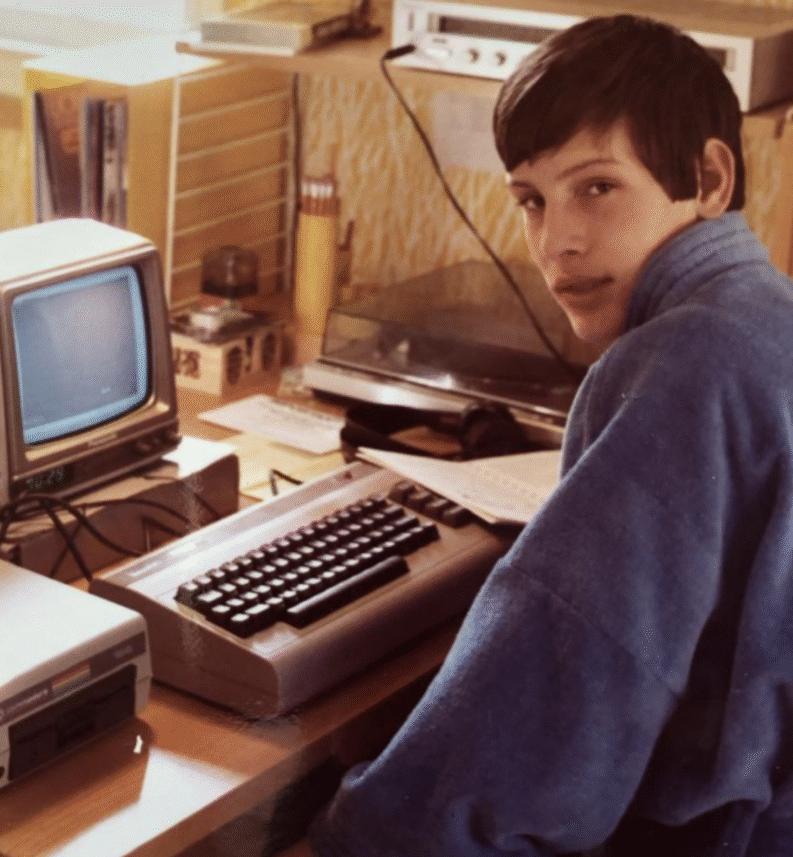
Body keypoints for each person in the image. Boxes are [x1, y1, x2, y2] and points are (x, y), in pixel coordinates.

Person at [303, 14, 793, 856]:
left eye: (596, 188)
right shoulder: (770, 314)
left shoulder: (684, 363)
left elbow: (564, 678)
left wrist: (360, 830)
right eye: (531, 200)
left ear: (710, 179)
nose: (555, 242)